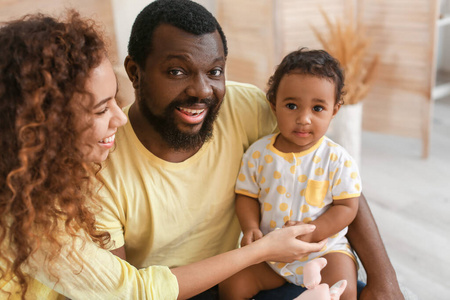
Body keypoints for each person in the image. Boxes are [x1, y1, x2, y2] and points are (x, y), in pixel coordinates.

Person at [0, 11, 327, 300]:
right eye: (101, 109)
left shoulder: (45, 185)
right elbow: (133, 292)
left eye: (214, 71)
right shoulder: (36, 221)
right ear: (44, 125)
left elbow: (331, 168)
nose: (120, 117)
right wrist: (262, 250)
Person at [95, 0, 404, 299]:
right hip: (175, 291)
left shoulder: (244, 107)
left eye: (215, 72)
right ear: (135, 72)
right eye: (177, 71)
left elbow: (329, 174)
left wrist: (384, 280)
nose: (202, 90)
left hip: (267, 265)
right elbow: (127, 291)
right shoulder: (101, 163)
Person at [219, 48, 361, 300]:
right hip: (272, 253)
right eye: (292, 105)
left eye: (318, 108)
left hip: (323, 250)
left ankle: (317, 290)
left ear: (335, 110)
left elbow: (347, 207)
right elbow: (246, 196)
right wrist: (250, 227)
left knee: (345, 287)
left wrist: (314, 231)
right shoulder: (258, 153)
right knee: (233, 283)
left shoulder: (337, 159)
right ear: (274, 105)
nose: (304, 118)